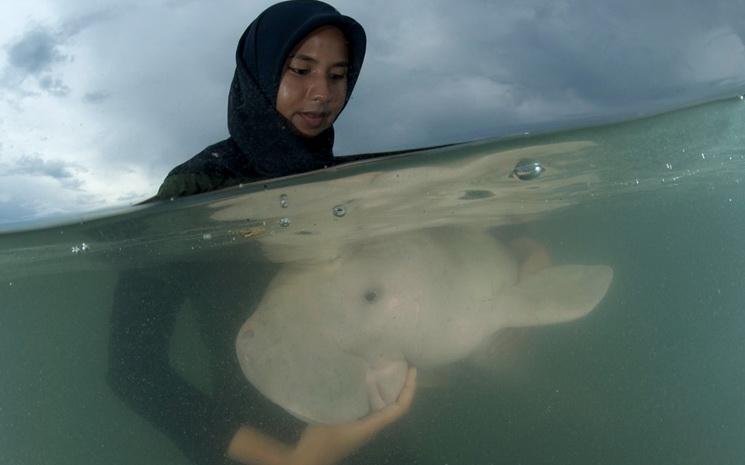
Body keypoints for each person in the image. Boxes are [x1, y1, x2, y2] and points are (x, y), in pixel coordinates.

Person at [108, 2, 417, 465]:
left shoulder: (341, 182)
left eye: (338, 75)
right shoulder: (197, 187)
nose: (321, 93)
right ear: (261, 71)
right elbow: (132, 368)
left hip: (372, 437)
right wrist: (288, 459)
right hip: (264, 445)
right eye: (300, 69)